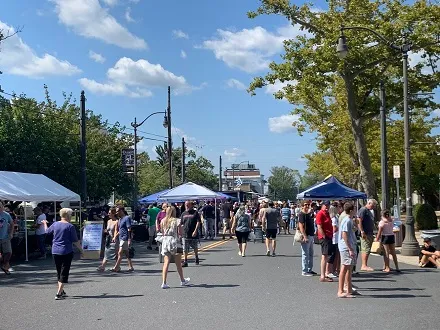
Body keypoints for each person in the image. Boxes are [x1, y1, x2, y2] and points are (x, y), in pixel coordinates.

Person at [43, 208, 83, 300]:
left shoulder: (55, 224)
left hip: (55, 251)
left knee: (59, 271)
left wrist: (45, 223)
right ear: (68, 215)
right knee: (64, 272)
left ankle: (61, 290)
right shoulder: (70, 226)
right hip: (66, 251)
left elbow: (47, 231)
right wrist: (82, 251)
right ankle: (59, 293)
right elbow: (75, 241)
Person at [160, 206, 190, 288]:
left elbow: (162, 232)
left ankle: (164, 282)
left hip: (165, 241)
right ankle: (182, 280)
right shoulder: (177, 220)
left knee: (166, 262)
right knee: (178, 263)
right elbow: (180, 233)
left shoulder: (163, 221)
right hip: (174, 241)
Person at [337, 202, 357, 298]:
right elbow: (344, 234)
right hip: (346, 247)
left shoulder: (350, 220)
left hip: (349, 246)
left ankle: (349, 289)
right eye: (355, 209)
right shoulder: (347, 220)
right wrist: (350, 248)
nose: (356, 210)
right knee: (344, 268)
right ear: (351, 210)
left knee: (349, 268)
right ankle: (340, 291)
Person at [315, 201, 334, 282]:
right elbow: (319, 226)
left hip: (329, 236)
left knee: (327, 256)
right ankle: (323, 275)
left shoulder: (327, 213)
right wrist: (324, 236)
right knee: (324, 255)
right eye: (325, 205)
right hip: (324, 237)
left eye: (328, 205)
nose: (326, 207)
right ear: (322, 205)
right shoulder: (320, 213)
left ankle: (325, 273)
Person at [112, 206, 134, 272]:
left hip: (125, 237)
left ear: (121, 211)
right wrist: (115, 236)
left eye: (117, 211)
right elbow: (120, 230)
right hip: (120, 238)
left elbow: (129, 229)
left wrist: (129, 239)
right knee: (127, 253)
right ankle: (131, 267)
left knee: (120, 253)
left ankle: (116, 267)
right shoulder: (120, 220)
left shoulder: (127, 218)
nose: (116, 213)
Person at [357, 199, 377, 271]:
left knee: (367, 248)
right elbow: (359, 220)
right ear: (369, 203)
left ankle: (365, 264)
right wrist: (362, 231)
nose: (373, 207)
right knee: (365, 248)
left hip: (369, 232)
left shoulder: (369, 211)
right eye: (373, 205)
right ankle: (364, 265)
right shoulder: (363, 210)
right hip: (365, 232)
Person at [97, 207, 119, 272]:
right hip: (108, 239)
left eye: (109, 213)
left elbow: (117, 231)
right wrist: (105, 231)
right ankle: (103, 266)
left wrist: (115, 237)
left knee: (115, 254)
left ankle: (104, 266)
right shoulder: (108, 221)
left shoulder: (117, 221)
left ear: (113, 213)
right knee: (107, 253)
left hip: (114, 240)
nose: (108, 214)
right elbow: (108, 230)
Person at [181, 201, 201, 267]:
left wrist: (195, 231)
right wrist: (180, 232)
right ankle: (185, 261)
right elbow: (181, 223)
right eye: (186, 205)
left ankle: (196, 257)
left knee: (195, 247)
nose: (187, 206)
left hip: (193, 233)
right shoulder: (183, 213)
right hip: (185, 233)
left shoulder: (195, 213)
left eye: (188, 205)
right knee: (185, 248)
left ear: (191, 205)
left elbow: (198, 222)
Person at [298, 201, 316, 276]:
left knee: (311, 253)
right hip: (306, 235)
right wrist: (305, 236)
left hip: (311, 235)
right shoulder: (301, 214)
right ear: (302, 206)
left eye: (308, 205)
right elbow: (301, 226)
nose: (307, 206)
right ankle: (304, 271)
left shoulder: (308, 214)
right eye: (305, 205)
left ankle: (309, 269)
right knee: (305, 253)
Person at [0, 202, 14, 275]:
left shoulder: (6, 215)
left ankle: (5, 265)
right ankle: (6, 266)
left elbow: (12, 223)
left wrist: (11, 233)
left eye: (1, 206)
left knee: (8, 252)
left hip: (5, 236)